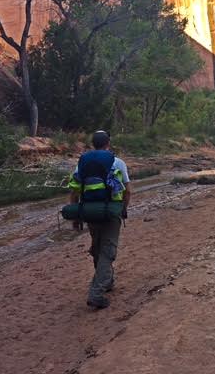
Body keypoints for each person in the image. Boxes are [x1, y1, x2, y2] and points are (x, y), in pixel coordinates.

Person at [68, 130, 131, 309]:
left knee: (97, 247)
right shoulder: (117, 162)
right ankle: (96, 292)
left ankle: (107, 281)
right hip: (111, 212)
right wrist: (123, 209)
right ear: (108, 143)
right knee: (108, 251)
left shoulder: (83, 161)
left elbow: (74, 190)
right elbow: (127, 190)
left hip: (90, 212)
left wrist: (76, 216)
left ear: (92, 144)